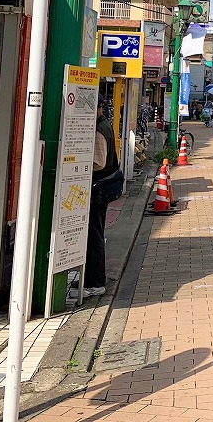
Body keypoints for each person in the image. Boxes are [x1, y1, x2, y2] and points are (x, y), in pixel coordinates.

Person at [75, 95, 119, 299]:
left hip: (97, 191)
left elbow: (99, 163)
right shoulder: (103, 126)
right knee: (92, 235)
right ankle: (89, 277)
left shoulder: (100, 130)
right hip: (98, 190)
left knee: (94, 236)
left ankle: (95, 282)